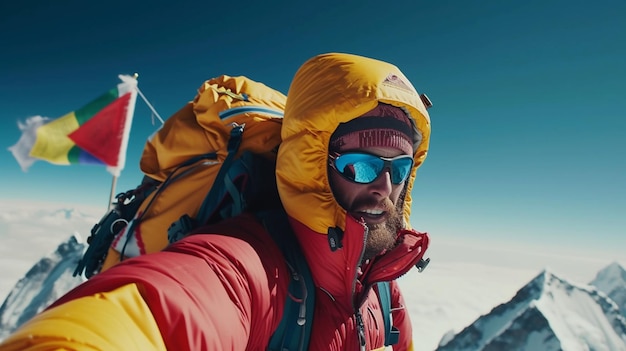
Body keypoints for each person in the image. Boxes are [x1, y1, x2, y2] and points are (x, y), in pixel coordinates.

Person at [0, 52, 432, 351]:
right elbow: (159, 309)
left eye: (398, 169)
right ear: (314, 163)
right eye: (361, 166)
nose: (384, 188)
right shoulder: (250, 267)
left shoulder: (382, 287)